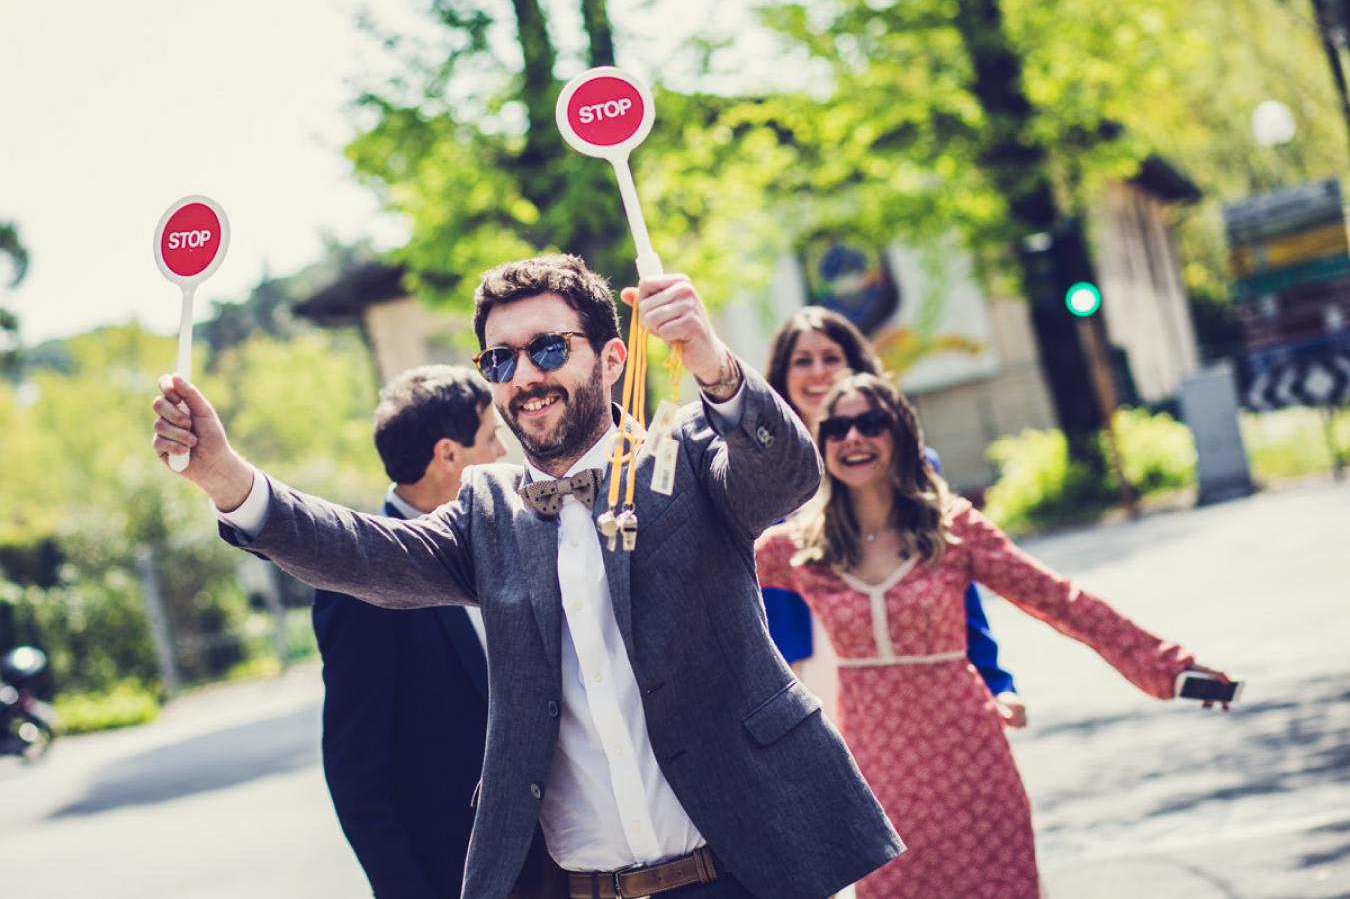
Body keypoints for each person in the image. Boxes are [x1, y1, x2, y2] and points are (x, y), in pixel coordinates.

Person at [151, 255, 903, 899]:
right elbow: (363, 554)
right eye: (501, 360)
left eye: (547, 348)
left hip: (744, 874)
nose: (525, 376)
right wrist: (226, 477)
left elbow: (788, 475)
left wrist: (714, 363)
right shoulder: (484, 510)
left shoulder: (686, 458)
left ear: (609, 360)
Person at [754, 372, 1232, 898]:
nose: (852, 438)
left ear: (901, 435)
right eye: (837, 428)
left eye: (870, 423)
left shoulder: (953, 529)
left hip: (971, 765)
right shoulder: (799, 547)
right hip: (879, 778)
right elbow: (706, 569)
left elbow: (1061, 601)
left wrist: (1170, 666)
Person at [763, 307, 1025, 727]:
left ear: (855, 366)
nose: (818, 373)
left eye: (831, 357)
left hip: (900, 664)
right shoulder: (758, 472)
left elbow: (955, 579)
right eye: (802, 361)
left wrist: (995, 681)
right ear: (781, 375)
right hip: (803, 670)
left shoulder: (911, 465)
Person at [312, 365, 503, 898]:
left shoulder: (505, 536)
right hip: (454, 877)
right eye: (491, 439)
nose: (502, 454)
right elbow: (358, 775)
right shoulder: (358, 582)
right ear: (448, 456)